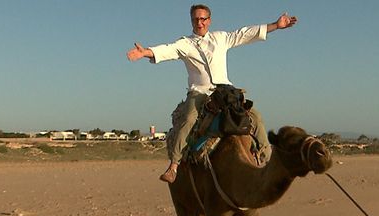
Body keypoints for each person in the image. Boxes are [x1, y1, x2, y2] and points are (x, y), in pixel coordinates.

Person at [127, 4, 297, 183]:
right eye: (195, 19)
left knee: (255, 117)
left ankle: (266, 159)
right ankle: (174, 165)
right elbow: (167, 49)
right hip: (199, 93)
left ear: (209, 20)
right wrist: (145, 52)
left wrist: (275, 25)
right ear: (191, 21)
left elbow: (244, 34)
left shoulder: (220, 38)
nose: (199, 22)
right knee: (189, 119)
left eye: (203, 19)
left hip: (225, 92)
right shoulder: (185, 43)